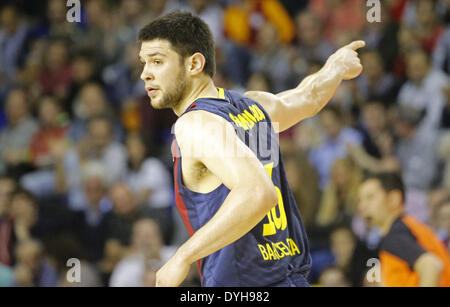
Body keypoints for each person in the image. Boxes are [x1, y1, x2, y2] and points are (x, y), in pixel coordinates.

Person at [138, 11, 364, 287]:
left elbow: (258, 192)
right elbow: (309, 97)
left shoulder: (195, 124)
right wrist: (336, 66)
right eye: (144, 63)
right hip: (289, 277)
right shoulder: (253, 106)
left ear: (194, 63)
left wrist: (181, 257)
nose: (145, 74)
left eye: (157, 61)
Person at [358, 172, 450, 287]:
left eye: (370, 197)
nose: (362, 207)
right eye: (360, 200)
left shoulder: (395, 235)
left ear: (393, 199)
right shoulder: (410, 227)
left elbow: (431, 266)